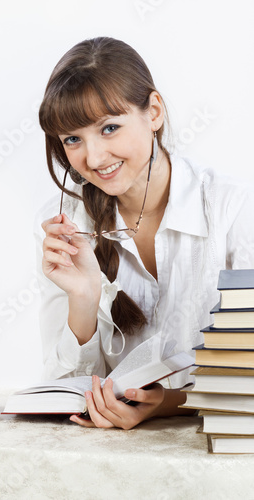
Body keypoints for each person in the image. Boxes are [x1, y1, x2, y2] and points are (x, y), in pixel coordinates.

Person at [33, 36, 254, 429]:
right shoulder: (66, 223)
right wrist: (84, 296)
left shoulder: (233, 209)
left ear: (153, 112)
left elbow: (248, 375)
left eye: (109, 128)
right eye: (72, 139)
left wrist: (172, 402)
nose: (94, 158)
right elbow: (64, 391)